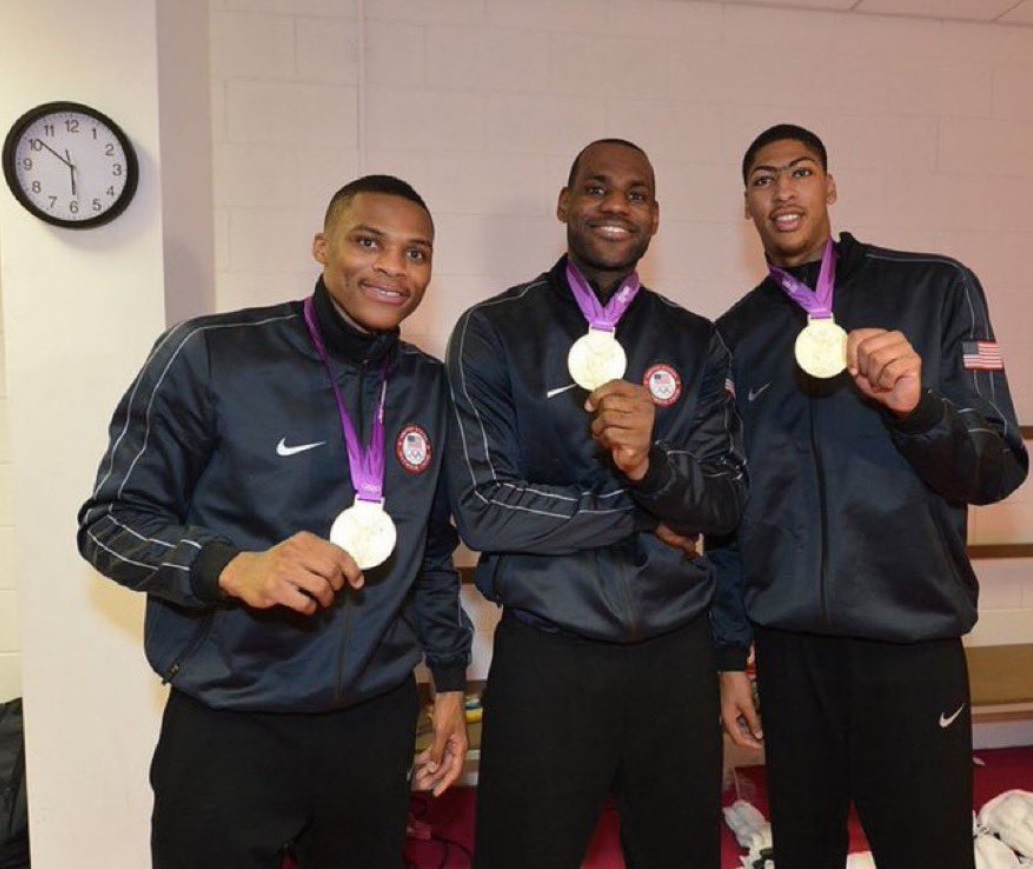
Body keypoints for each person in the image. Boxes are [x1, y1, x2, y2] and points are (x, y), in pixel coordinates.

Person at [77, 175, 473, 868]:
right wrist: (232, 566)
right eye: (368, 242)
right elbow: (110, 521)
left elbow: (430, 553)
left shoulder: (427, 387)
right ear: (322, 246)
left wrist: (446, 683)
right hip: (232, 721)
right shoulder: (211, 353)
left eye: (416, 253)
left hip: (372, 721)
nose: (392, 267)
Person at [712, 124, 1029, 869]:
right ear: (748, 203)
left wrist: (917, 408)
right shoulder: (733, 335)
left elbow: (996, 467)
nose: (782, 190)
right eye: (763, 178)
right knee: (805, 853)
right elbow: (730, 513)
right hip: (791, 656)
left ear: (828, 185)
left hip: (909, 645)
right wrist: (729, 652)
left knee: (926, 853)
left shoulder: (935, 286)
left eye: (799, 172)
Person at [446, 138, 748, 868]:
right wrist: (645, 505)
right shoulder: (494, 331)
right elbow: (484, 507)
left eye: (635, 193)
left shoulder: (693, 339)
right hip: (550, 656)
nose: (616, 204)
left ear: (654, 216)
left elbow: (724, 500)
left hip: (674, 658)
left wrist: (652, 463)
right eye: (596, 188)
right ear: (564, 203)